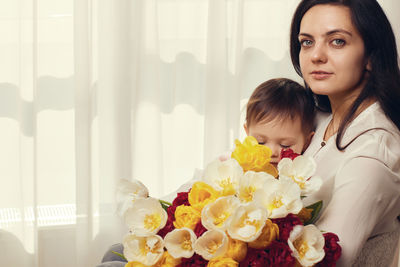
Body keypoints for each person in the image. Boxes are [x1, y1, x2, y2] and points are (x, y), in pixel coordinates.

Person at [289, 0, 400, 266]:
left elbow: (327, 259)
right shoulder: (313, 120)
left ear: (371, 57)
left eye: (337, 41)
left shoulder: (373, 151)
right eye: (307, 42)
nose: (316, 55)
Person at [243, 78, 315, 167]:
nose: (271, 152)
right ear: (247, 133)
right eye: (260, 142)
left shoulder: (303, 175)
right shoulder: (239, 167)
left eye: (285, 145)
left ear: (306, 142)